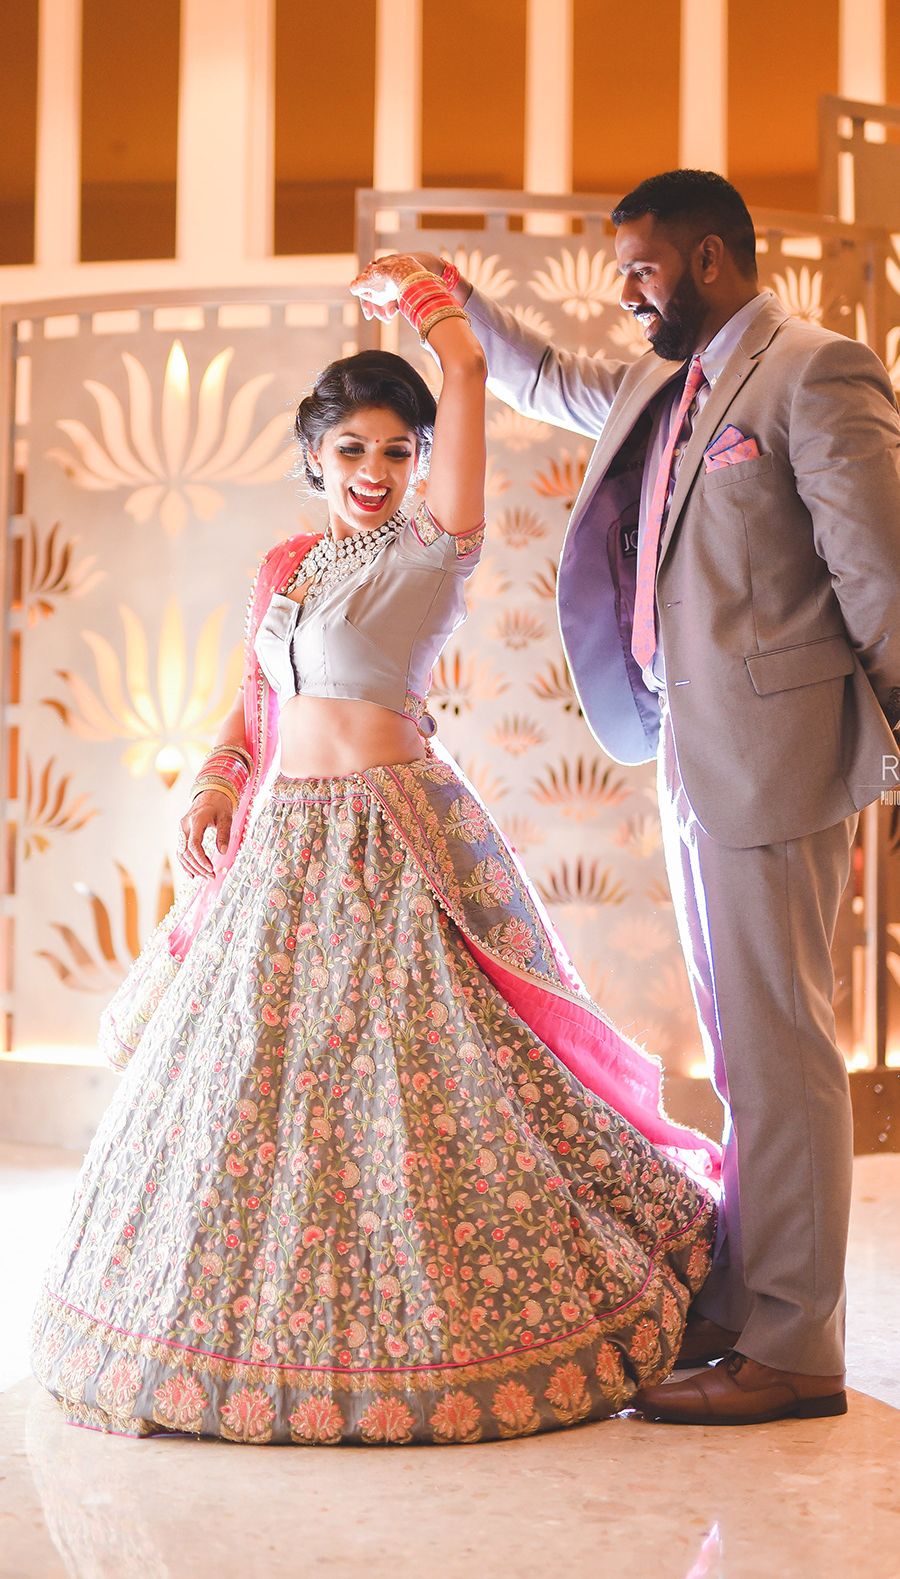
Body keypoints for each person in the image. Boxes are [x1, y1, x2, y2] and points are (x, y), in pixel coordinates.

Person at [30, 257, 716, 1446]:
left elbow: (465, 372)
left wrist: (434, 307)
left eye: (399, 450)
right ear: (315, 456)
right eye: (351, 448)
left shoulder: (430, 550)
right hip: (280, 851)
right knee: (257, 1091)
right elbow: (251, 706)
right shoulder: (286, 570)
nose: (374, 469)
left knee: (409, 1084)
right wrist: (217, 777)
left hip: (386, 839)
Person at [399, 169, 900, 1426]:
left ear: (712, 258)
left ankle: (797, 1345)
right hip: (691, 749)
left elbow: (883, 575)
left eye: (642, 269)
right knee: (740, 1047)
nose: (625, 292)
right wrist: (453, 302)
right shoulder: (659, 384)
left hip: (779, 753)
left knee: (784, 1050)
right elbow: (544, 378)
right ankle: (745, 1303)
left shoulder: (815, 372)